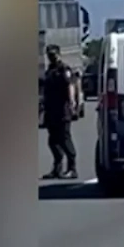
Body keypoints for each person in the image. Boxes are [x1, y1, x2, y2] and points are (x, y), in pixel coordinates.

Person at [41, 44, 79, 179]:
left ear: (58, 54)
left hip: (63, 110)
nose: (51, 57)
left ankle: (72, 168)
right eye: (49, 55)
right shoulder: (49, 70)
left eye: (53, 54)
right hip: (51, 111)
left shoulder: (64, 69)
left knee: (64, 139)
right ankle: (57, 168)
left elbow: (70, 85)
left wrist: (72, 102)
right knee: (53, 141)